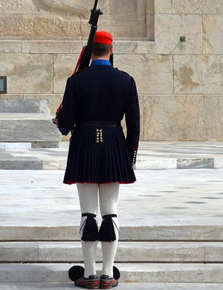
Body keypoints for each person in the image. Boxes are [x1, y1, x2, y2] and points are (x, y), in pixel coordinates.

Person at [55, 30, 139, 289]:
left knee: (88, 213)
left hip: (84, 145)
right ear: (111, 51)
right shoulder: (125, 80)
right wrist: (129, 155)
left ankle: (89, 274)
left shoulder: (76, 80)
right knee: (110, 213)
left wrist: (60, 121)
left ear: (91, 52)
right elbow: (133, 123)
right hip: (114, 142)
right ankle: (107, 273)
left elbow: (65, 124)